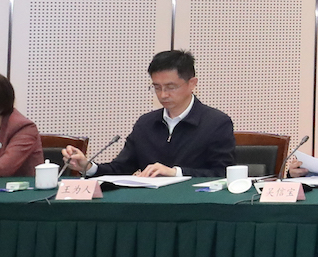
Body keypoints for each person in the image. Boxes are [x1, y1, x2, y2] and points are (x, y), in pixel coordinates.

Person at [63, 49, 237, 179]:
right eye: (157, 87)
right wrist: (88, 167)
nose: (163, 95)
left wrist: (175, 173)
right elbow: (121, 168)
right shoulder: (146, 123)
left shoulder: (216, 123)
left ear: (192, 83)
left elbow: (222, 173)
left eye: (170, 87)